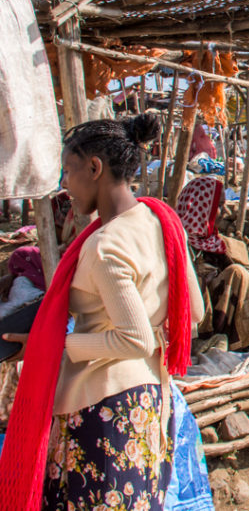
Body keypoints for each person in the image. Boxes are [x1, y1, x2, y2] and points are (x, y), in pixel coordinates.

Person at [0, 114, 205, 510]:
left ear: (95, 168)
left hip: (102, 411)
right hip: (149, 404)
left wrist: (53, 345)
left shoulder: (105, 246)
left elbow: (134, 339)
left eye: (69, 171)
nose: (64, 184)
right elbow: (192, 312)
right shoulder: (161, 221)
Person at [176, 176, 249, 351]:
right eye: (219, 205)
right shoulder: (177, 242)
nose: (225, 212)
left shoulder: (213, 243)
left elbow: (236, 278)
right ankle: (195, 341)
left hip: (214, 319)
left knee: (238, 273)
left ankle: (240, 341)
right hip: (185, 323)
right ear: (201, 207)